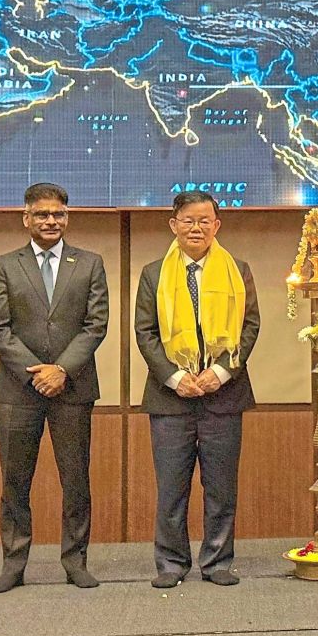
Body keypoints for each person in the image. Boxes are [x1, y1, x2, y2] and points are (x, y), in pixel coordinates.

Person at [0, 182, 109, 593]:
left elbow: (96, 326)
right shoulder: (5, 265)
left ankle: (76, 561)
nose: (50, 221)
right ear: (26, 218)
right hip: (18, 393)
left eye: (57, 214)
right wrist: (37, 372)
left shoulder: (89, 263)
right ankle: (13, 563)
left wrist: (62, 371)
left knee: (76, 480)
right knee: (15, 481)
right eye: (41, 214)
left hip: (73, 390)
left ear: (67, 217)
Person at [135, 190, 260, 589]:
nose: (196, 228)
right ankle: (171, 564)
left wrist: (221, 373)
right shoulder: (153, 274)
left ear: (216, 226)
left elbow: (250, 327)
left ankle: (217, 560)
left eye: (205, 220)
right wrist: (176, 377)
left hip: (223, 396)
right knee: (172, 487)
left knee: (221, 486)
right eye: (188, 220)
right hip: (170, 399)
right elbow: (145, 332)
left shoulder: (238, 270)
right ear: (174, 226)